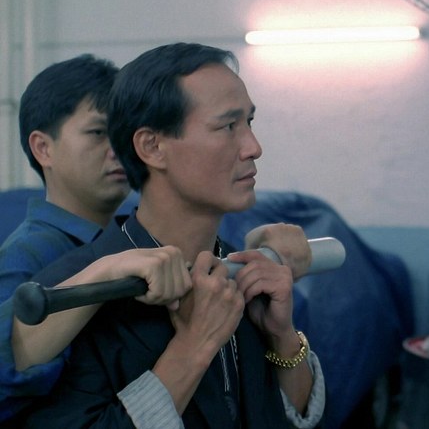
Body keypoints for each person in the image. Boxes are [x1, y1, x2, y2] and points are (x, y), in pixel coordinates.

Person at [17, 42, 325, 428]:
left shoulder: (243, 277)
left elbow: (291, 418)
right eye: (228, 126)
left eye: (249, 122)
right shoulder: (74, 297)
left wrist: (282, 337)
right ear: (153, 147)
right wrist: (194, 346)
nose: (253, 147)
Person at [0, 54, 185, 422]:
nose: (118, 149)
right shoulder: (27, 255)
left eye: (123, 133)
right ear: (43, 148)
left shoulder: (136, 243)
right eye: (99, 132)